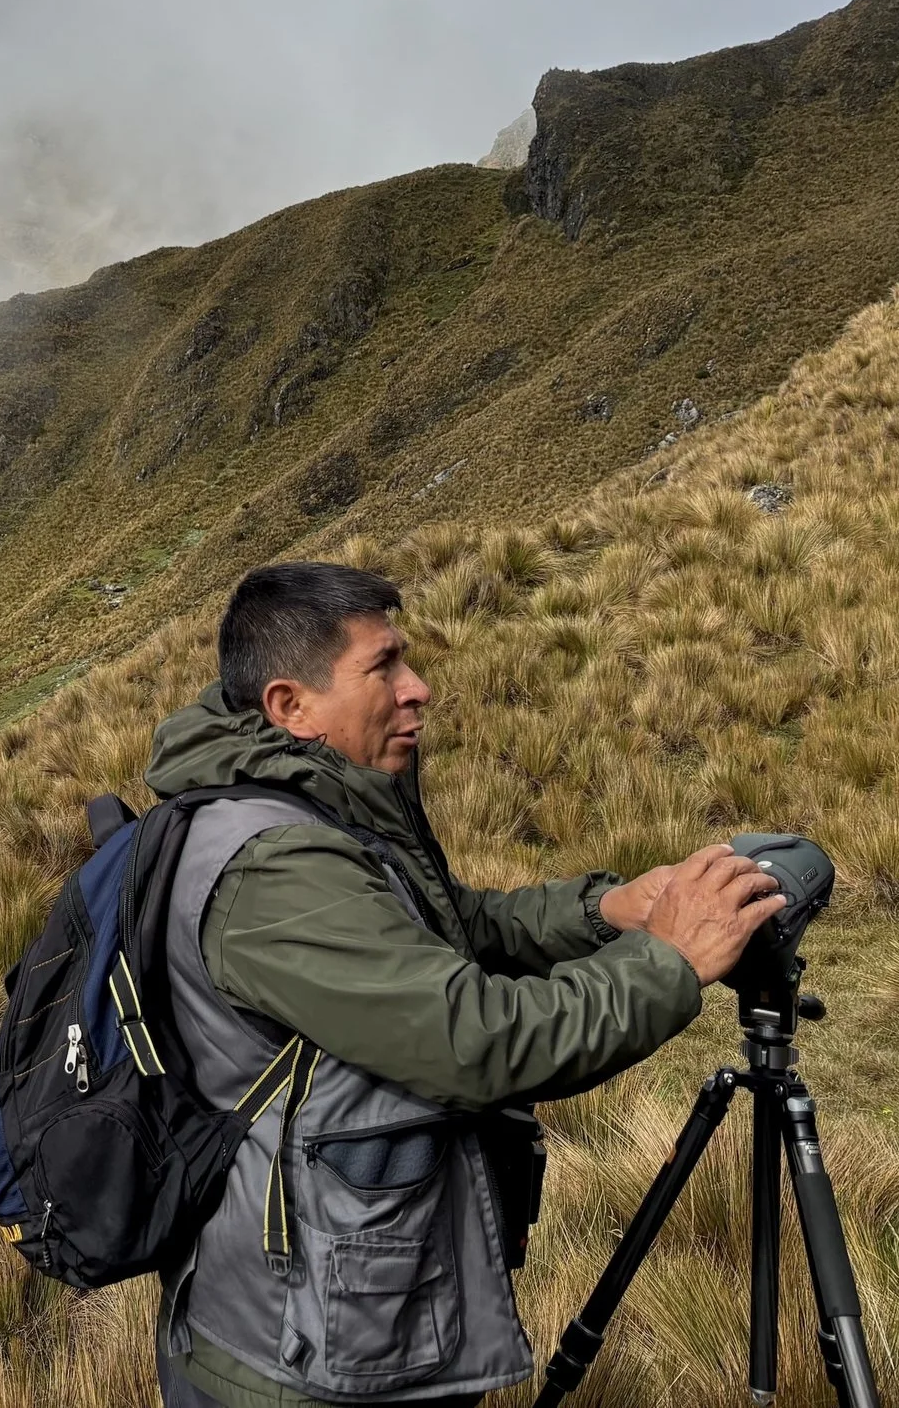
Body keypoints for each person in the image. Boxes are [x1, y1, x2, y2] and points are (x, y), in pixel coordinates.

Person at [149, 561, 785, 1408]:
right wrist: (668, 961)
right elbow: (475, 1037)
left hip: (356, 1312)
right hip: (299, 1357)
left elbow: (442, 930)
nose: (420, 689)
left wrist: (608, 910)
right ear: (289, 706)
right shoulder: (273, 866)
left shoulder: (311, 803)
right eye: (383, 667)